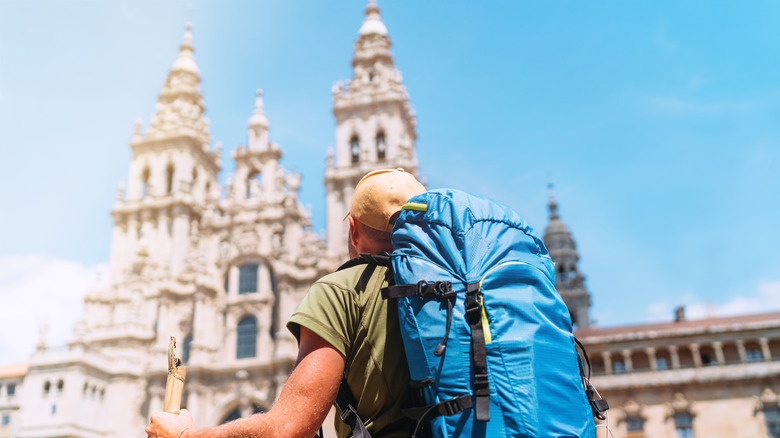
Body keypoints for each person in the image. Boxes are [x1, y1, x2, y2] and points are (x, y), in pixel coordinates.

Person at [146, 168, 426, 438]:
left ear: (353, 230)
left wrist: (186, 434)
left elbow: (287, 428)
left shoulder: (343, 289)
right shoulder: (462, 291)